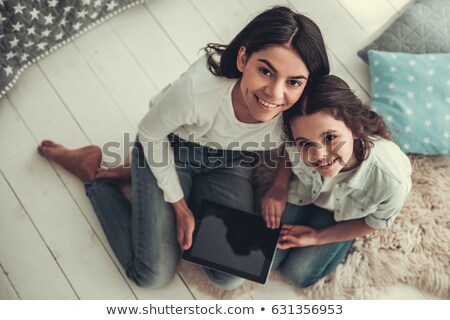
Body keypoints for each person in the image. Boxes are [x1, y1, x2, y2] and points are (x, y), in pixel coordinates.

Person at [37, 6, 330, 290]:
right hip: (172, 147)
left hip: (231, 162)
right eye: (266, 71)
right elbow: (150, 134)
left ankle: (141, 178)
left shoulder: (302, 110)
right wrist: (179, 206)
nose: (275, 93)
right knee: (151, 274)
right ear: (243, 59)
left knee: (229, 276)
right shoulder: (197, 89)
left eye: (293, 82)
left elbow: (294, 147)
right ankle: (92, 172)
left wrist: (279, 187)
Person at [261, 75, 412, 288]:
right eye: (305, 143)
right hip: (305, 194)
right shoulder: (296, 143)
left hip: (347, 216)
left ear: (356, 128)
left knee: (298, 274)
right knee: (265, 258)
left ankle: (339, 240)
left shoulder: (391, 180)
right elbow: (289, 152)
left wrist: (317, 238)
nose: (319, 155)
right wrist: (278, 186)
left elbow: (374, 222)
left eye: (330, 137)